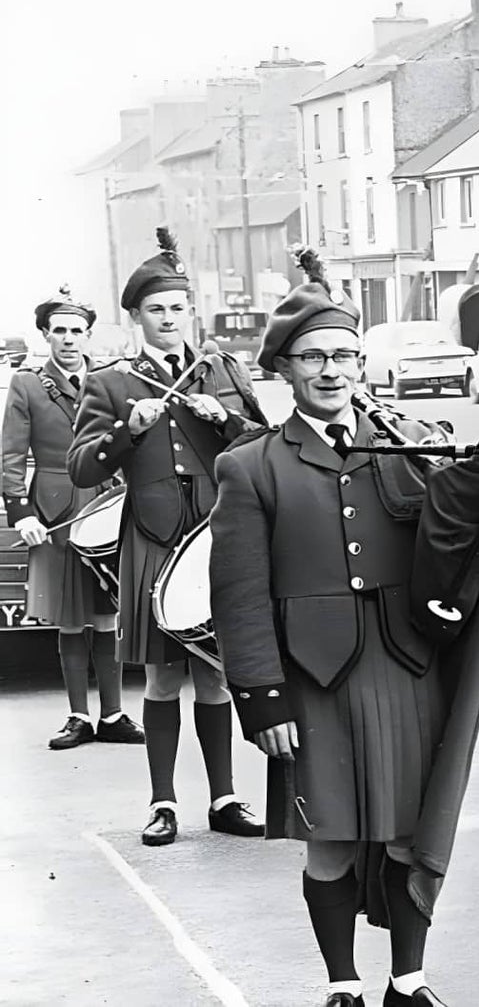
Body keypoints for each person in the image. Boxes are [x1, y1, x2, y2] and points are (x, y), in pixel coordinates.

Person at [211, 265, 479, 1007]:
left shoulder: (415, 446)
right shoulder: (249, 467)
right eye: (314, 357)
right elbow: (239, 599)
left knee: (403, 831)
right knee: (328, 836)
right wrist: (262, 701)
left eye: (344, 355)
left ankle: (407, 978)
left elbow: (453, 549)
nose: (331, 370)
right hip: (311, 678)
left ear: (362, 364)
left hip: (404, 663)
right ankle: (342, 982)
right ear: (284, 370)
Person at [69, 231, 267, 847]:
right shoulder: (110, 383)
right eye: (155, 310)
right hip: (153, 535)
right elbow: (81, 467)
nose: (167, 319)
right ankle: (163, 802)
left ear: (191, 313)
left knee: (215, 674)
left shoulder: (222, 372)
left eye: (178, 308)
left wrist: (226, 419)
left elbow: (266, 445)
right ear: (135, 318)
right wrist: (126, 432)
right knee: (161, 678)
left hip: (216, 532)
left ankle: (226, 798)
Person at [4, 289, 139, 750]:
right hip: (56, 507)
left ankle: (114, 713)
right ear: (45, 334)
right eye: (58, 330)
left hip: (105, 502)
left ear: (87, 336)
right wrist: (20, 512)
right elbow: (11, 455)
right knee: (69, 616)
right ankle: (79, 715)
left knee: (107, 612)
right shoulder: (26, 385)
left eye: (76, 330)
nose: (67, 339)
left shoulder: (107, 380)